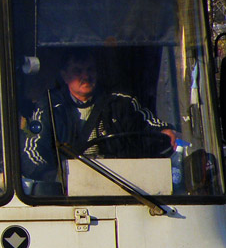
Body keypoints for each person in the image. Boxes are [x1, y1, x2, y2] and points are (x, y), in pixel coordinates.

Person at [22, 46, 177, 189]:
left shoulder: (121, 102)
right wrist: (57, 178)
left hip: (123, 186)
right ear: (65, 76)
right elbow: (31, 152)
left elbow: (153, 126)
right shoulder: (49, 107)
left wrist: (164, 131)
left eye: (90, 70)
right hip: (72, 191)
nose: (86, 76)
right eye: (78, 71)